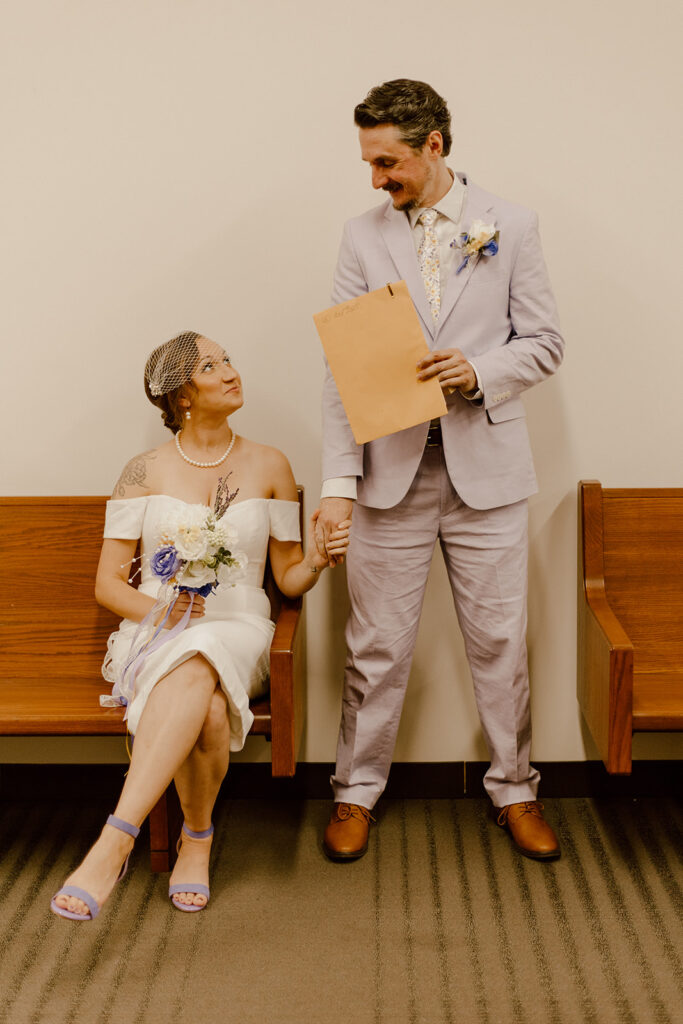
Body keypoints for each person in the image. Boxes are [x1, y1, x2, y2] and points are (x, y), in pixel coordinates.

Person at [316, 79, 564, 862]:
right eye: (367, 161)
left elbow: (545, 343)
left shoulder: (511, 225)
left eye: (387, 161)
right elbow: (340, 369)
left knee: (498, 640)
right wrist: (336, 488)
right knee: (376, 647)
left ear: (434, 146)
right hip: (389, 477)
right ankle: (355, 793)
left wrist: (480, 371)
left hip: (486, 474)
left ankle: (514, 787)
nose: (375, 178)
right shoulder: (361, 236)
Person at [51, 331, 350, 920]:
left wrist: (316, 557)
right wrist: (162, 613)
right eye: (211, 367)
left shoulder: (270, 463)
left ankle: (114, 841)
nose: (230, 371)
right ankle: (197, 838)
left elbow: (287, 578)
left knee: (204, 649)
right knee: (207, 705)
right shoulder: (142, 470)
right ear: (182, 395)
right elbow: (107, 585)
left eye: (229, 359)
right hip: (157, 629)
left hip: (240, 627)